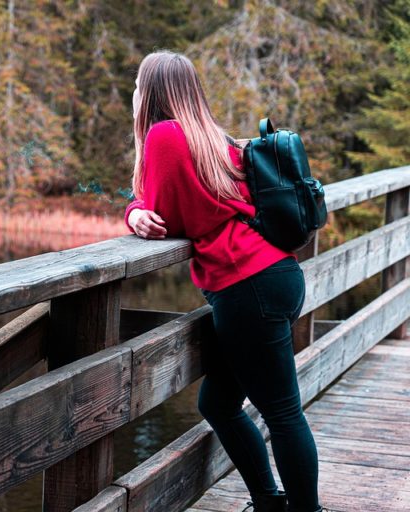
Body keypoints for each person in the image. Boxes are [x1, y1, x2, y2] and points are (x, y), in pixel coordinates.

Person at [124, 50, 327, 512]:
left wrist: (134, 211)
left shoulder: (164, 135)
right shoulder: (213, 137)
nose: (133, 94)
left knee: (283, 413)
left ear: (150, 92)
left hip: (247, 285)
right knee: (218, 404)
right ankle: (269, 502)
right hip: (274, 275)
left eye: (137, 86)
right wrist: (137, 209)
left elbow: (166, 217)